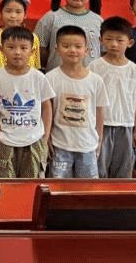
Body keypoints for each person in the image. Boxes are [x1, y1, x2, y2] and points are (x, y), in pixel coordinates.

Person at [0, 27, 54, 178]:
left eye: (23, 48)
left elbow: (47, 107)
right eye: (11, 47)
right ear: (1, 49)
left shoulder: (39, 77)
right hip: (5, 139)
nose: (17, 52)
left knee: (32, 183)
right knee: (4, 182)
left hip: (34, 139)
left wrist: (45, 137)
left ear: (32, 51)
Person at [45, 26, 108, 178]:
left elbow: (99, 111)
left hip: (87, 145)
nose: (72, 50)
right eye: (66, 46)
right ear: (57, 49)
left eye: (78, 46)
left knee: (87, 187)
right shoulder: (50, 78)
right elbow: (47, 111)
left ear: (86, 50)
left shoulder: (96, 80)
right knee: (59, 186)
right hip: (60, 145)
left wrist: (99, 139)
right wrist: (47, 139)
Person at [90, 17, 136, 178]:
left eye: (120, 40)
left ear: (130, 42)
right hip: (101, 126)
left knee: (123, 170)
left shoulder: (135, 70)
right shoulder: (94, 67)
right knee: (99, 168)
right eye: (109, 39)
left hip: (126, 126)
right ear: (101, 40)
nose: (114, 44)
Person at [35, 0, 103, 70]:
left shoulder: (98, 20)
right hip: (57, 75)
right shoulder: (51, 17)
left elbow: (104, 50)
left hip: (91, 76)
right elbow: (39, 49)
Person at [0, 0, 41, 75]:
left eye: (18, 12)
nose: (13, 16)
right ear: (0, 13)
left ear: (25, 14)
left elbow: (36, 65)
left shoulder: (33, 37)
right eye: (8, 11)